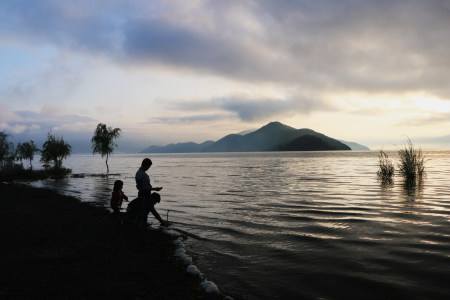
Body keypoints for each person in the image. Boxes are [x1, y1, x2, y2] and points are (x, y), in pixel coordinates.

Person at [134, 158, 167, 226]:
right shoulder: (142, 174)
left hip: (143, 194)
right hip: (145, 194)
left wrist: (152, 189)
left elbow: (139, 186)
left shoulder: (139, 173)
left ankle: (143, 223)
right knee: (148, 209)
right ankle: (159, 222)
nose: (148, 168)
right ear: (146, 165)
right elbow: (144, 188)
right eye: (149, 166)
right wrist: (155, 189)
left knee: (145, 210)